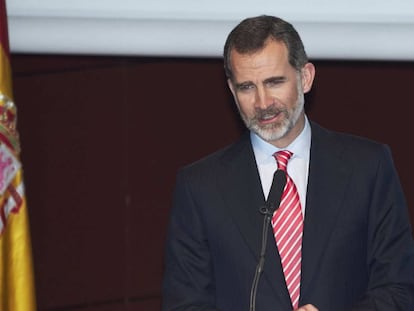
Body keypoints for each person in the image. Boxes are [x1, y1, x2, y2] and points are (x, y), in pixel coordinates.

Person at [161, 15, 414, 311]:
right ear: (232, 91)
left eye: (274, 82)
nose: (263, 102)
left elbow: (400, 289)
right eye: (247, 87)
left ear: (305, 77)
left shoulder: (368, 167)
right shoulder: (200, 187)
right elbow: (185, 305)